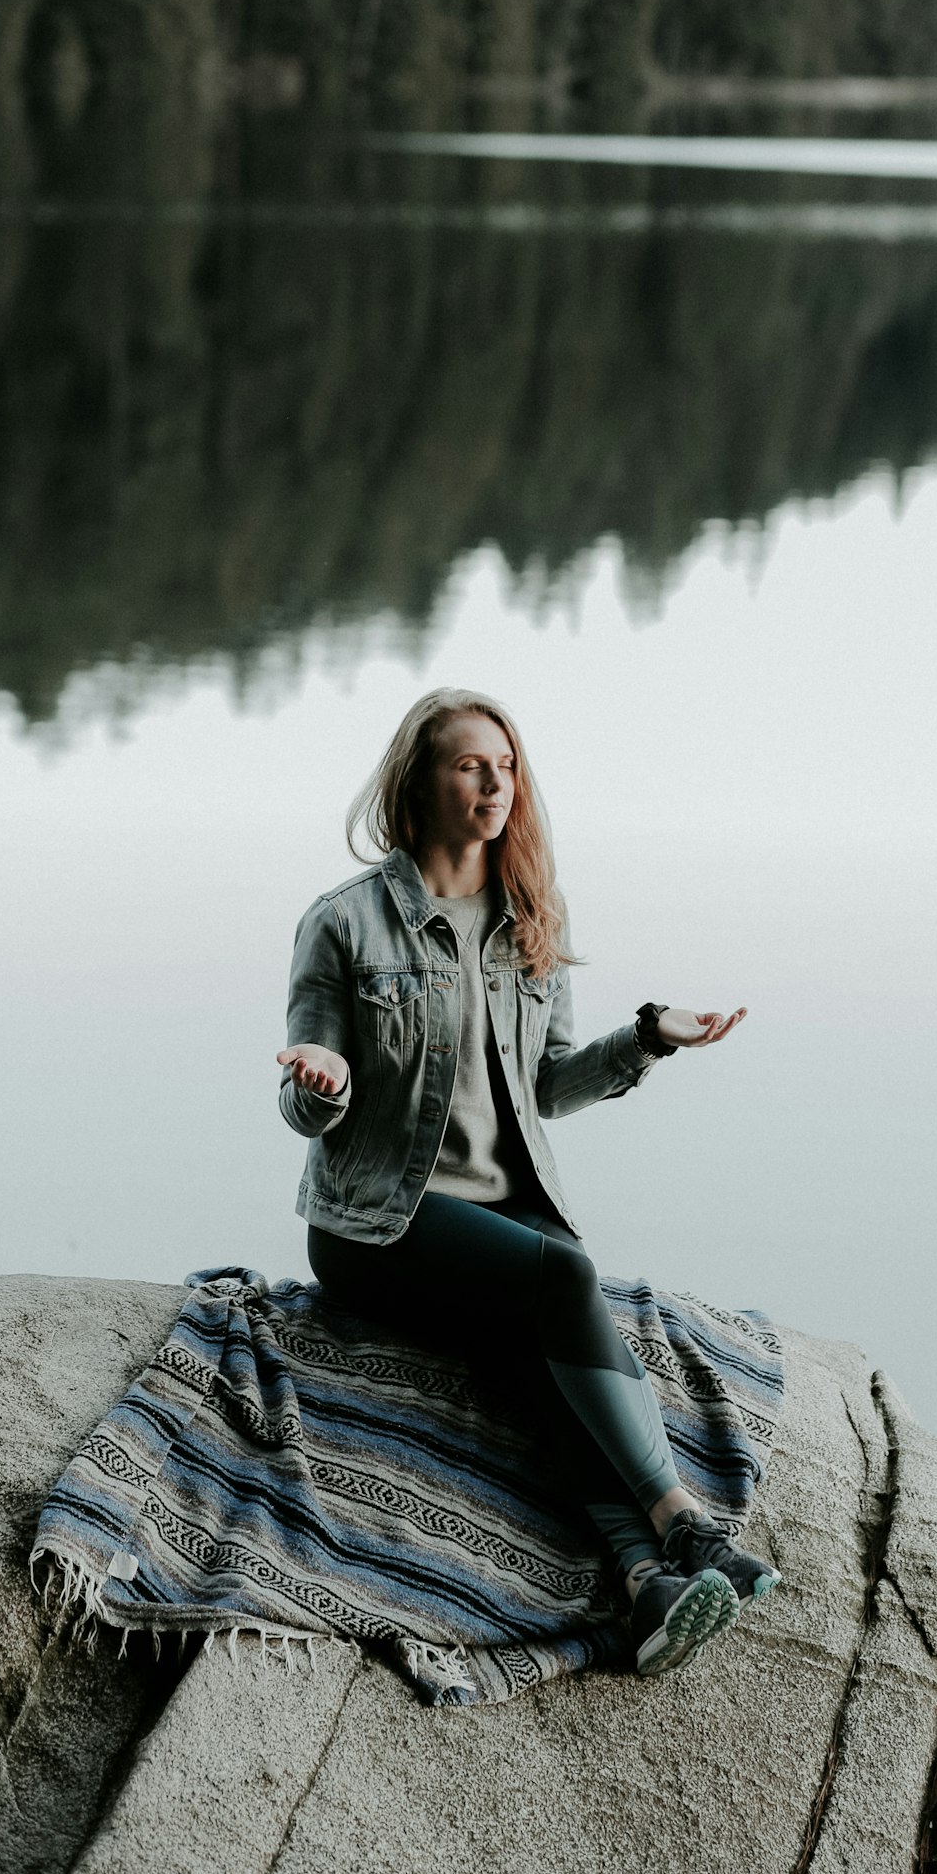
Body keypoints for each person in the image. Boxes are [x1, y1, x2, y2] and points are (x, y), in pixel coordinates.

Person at [275, 685, 776, 1676]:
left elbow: (547, 1087)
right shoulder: (344, 924)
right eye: (470, 764)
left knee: (529, 1362)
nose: (494, 783)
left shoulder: (528, 920)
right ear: (418, 781)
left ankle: (646, 1590)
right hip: (378, 1223)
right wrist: (321, 1088)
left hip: (500, 1211)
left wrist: (643, 1042)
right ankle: (681, 1521)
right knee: (562, 1281)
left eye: (505, 767)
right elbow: (302, 1096)